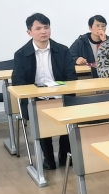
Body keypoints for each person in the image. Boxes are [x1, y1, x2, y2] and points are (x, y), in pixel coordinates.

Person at [12, 13, 77, 171]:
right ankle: (48, 158)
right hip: (36, 100)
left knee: (68, 117)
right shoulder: (21, 54)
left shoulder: (62, 50)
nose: (43, 31)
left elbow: (71, 78)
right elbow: (18, 82)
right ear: (29, 32)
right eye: (38, 28)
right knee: (40, 118)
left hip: (61, 97)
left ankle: (64, 155)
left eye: (46, 27)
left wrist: (59, 89)